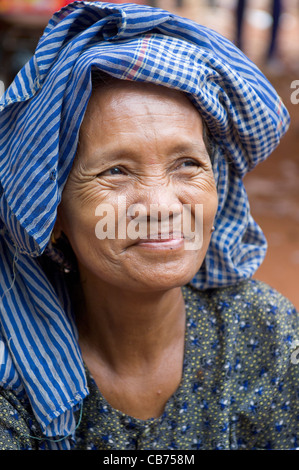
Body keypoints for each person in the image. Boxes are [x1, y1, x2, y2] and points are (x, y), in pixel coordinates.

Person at [0, 1, 297, 451]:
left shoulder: (266, 332)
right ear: (52, 212)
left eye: (187, 164)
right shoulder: (14, 376)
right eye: (115, 171)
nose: (161, 205)